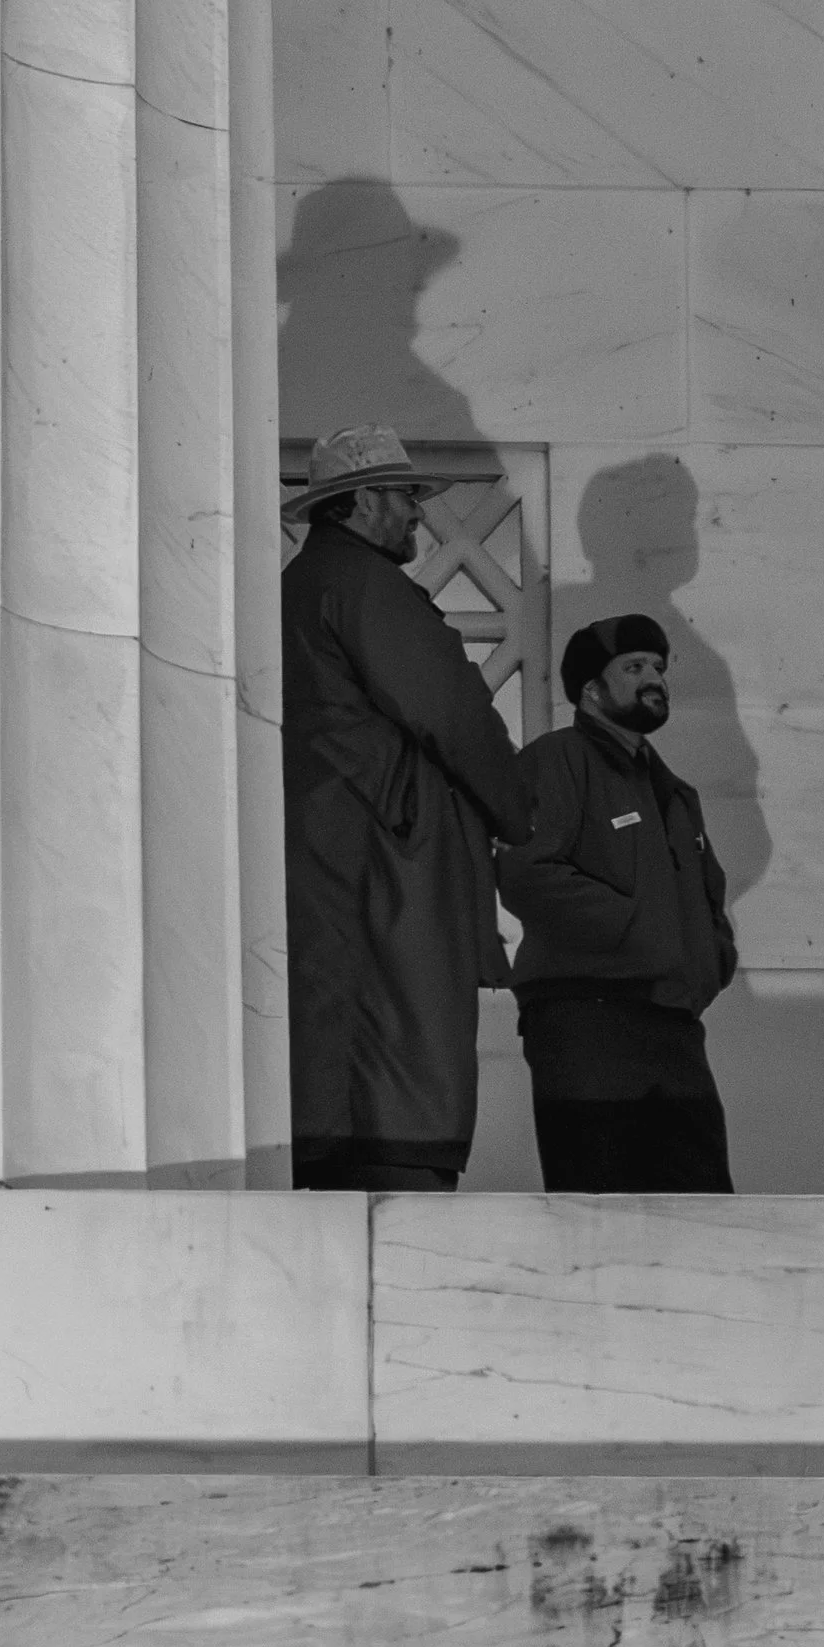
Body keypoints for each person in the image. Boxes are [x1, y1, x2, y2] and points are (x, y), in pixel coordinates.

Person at [281, 422, 534, 1192]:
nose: (418, 515)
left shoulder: (300, 587)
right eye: (403, 497)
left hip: (334, 851)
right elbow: (452, 714)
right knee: (401, 1043)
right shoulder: (368, 587)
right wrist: (522, 817)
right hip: (391, 859)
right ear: (358, 504)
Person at [496, 614, 738, 1189]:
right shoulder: (554, 760)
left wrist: (711, 958)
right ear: (591, 691)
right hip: (585, 1021)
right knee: (596, 1217)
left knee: (703, 1216)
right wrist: (638, 930)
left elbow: (708, 891)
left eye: (657, 666)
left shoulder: (674, 790)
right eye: (633, 667)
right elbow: (527, 873)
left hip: (674, 1024)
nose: (654, 677)